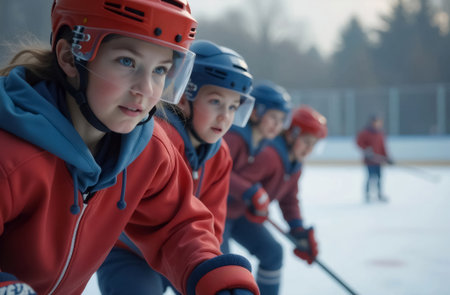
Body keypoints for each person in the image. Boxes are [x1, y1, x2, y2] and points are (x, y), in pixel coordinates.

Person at [0, 1, 260, 294]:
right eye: (127, 61)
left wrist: (215, 276)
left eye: (161, 70)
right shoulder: (9, 154)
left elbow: (177, 228)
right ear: (70, 58)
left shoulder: (148, 151)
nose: (146, 89)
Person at [96, 39, 255, 295]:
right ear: (183, 98)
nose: (225, 116)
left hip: (181, 251)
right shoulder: (157, 140)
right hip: (128, 252)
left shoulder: (220, 154)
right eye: (215, 101)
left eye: (233, 106)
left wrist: (217, 272)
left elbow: (212, 225)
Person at [222, 105, 328, 295]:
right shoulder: (270, 155)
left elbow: (289, 199)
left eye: (315, 144)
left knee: (273, 252)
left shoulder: (294, 164)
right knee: (222, 267)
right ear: (292, 134)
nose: (309, 149)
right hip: (220, 214)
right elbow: (229, 179)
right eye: (306, 141)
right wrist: (251, 195)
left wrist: (297, 228)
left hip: (240, 216)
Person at [356, 114, 393, 203]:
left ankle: (379, 194)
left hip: (379, 160)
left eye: (379, 122)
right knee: (370, 177)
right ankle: (367, 195)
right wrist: (366, 150)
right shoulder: (365, 132)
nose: (377, 124)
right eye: (376, 122)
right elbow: (358, 142)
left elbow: (383, 147)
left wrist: (387, 158)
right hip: (369, 160)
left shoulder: (380, 133)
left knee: (379, 177)